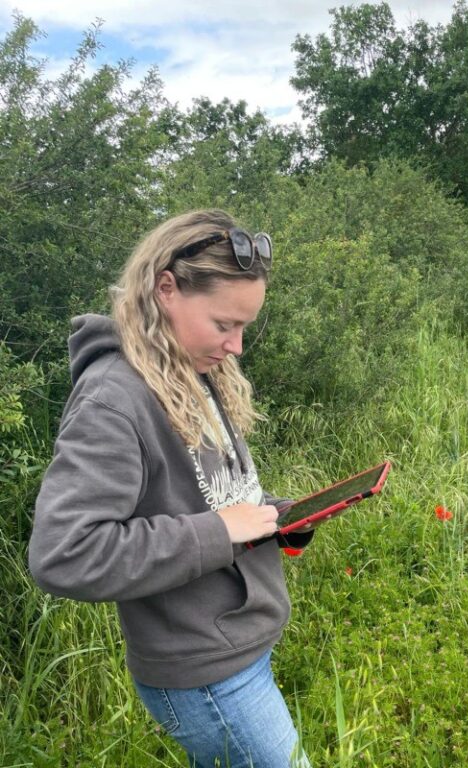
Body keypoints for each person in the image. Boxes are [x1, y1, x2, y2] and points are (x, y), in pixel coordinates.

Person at [28, 210, 313, 768]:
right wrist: (220, 533)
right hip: (208, 676)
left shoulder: (190, 368)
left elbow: (205, 495)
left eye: (244, 327)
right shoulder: (114, 399)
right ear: (166, 289)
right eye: (224, 324)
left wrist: (273, 516)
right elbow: (63, 553)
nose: (236, 347)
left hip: (238, 648)